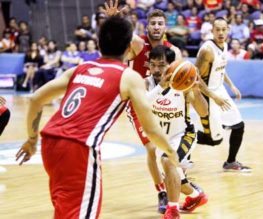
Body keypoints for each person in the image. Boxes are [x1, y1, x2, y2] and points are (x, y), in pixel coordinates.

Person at [15, 16, 179, 219]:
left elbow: (35, 100)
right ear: (130, 47)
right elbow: (152, 129)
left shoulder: (81, 68)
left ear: (99, 44)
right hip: (79, 148)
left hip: (50, 143)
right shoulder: (128, 76)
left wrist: (32, 140)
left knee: (66, 210)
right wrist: (172, 153)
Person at [104, 1, 182, 213]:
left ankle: (181, 185)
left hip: (165, 105)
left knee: (169, 151)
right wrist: (114, 18)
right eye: (153, 23)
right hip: (139, 102)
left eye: (160, 23)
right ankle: (162, 193)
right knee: (151, 148)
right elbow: (121, 35)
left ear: (165, 27)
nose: (156, 27)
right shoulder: (138, 45)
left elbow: (180, 78)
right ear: (147, 26)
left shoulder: (173, 51)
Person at [146, 45, 208, 218]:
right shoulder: (147, 84)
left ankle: (172, 211)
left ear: (172, 65)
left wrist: (196, 91)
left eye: (162, 65)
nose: (157, 69)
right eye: (153, 65)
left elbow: (204, 112)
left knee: (168, 161)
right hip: (162, 138)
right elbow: (141, 105)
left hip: (183, 135)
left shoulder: (184, 85)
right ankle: (197, 196)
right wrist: (160, 88)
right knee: (176, 180)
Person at [195, 17, 251, 172]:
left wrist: (232, 86)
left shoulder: (224, 45)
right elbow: (195, 78)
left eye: (223, 29)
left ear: (228, 30)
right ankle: (183, 135)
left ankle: (231, 162)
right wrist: (214, 97)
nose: (220, 32)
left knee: (239, 126)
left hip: (220, 91)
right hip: (208, 94)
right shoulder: (207, 50)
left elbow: (220, 68)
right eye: (217, 29)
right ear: (212, 31)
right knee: (213, 141)